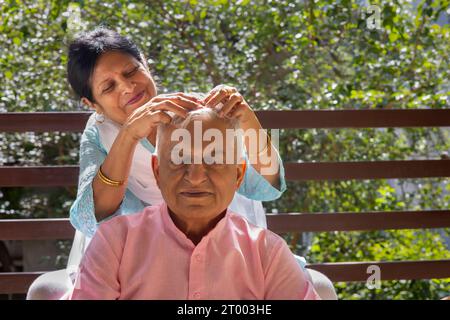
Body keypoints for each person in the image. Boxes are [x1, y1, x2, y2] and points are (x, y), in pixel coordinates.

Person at [27, 27, 337, 300]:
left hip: (225, 252)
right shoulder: (102, 134)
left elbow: (267, 187)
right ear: (91, 104)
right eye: (108, 87)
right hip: (138, 265)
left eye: (131, 72)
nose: (127, 87)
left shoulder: (194, 113)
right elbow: (91, 217)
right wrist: (131, 134)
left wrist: (247, 121)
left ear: (146, 64)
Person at [70, 108, 320, 300]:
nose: (196, 176)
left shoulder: (268, 253)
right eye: (180, 160)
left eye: (214, 159)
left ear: (238, 174)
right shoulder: (115, 243)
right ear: (157, 170)